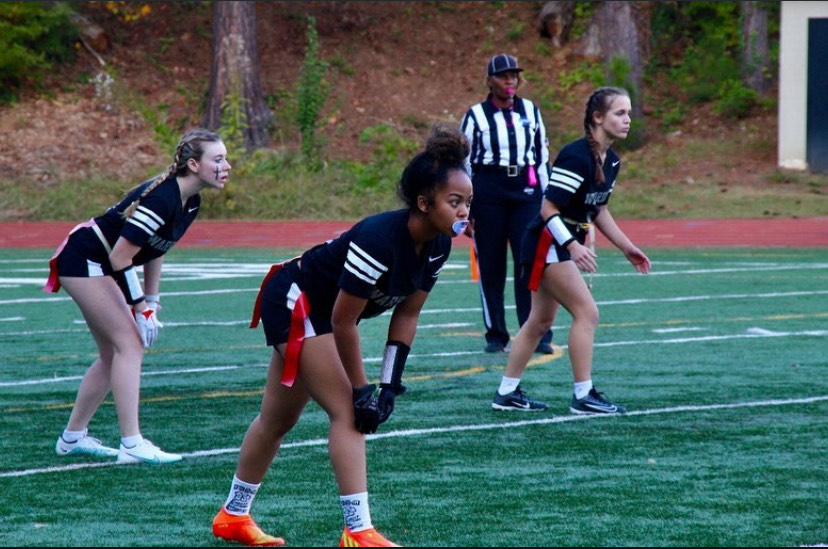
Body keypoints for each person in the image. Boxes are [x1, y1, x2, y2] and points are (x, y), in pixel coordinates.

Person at [211, 124, 473, 548]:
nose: (464, 212)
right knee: (350, 414)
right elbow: (343, 321)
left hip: (320, 312)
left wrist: (390, 384)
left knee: (278, 419)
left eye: (467, 203)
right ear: (424, 203)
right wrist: (362, 389)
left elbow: (407, 314)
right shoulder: (379, 240)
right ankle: (357, 530)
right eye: (454, 202)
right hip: (296, 301)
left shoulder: (440, 245)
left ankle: (232, 515)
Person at [45, 129, 231, 463]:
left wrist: (153, 300)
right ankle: (131, 443)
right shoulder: (163, 198)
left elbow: (155, 248)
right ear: (193, 164)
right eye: (217, 159)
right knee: (129, 345)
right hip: (87, 258)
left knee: (112, 354)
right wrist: (141, 307)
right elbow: (120, 257)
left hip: (105, 263)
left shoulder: (190, 201)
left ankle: (72, 438)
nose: (226, 166)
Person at [489, 86, 651, 413]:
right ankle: (583, 395)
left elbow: (598, 210)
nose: (627, 120)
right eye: (620, 113)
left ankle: (506, 393)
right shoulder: (576, 156)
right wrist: (573, 245)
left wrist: (627, 247)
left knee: (539, 321)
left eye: (629, 113)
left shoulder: (612, 160)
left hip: (557, 243)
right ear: (597, 117)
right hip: (548, 242)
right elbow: (548, 209)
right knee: (587, 312)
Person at [460, 53, 554, 355]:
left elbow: (541, 156)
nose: (510, 80)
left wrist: (546, 198)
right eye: (503, 76)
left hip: (525, 192)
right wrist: (465, 208)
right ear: (489, 81)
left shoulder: (530, 111)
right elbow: (463, 164)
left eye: (514, 75)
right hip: (488, 192)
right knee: (491, 265)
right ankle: (496, 334)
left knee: (529, 263)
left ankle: (536, 331)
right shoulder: (475, 116)